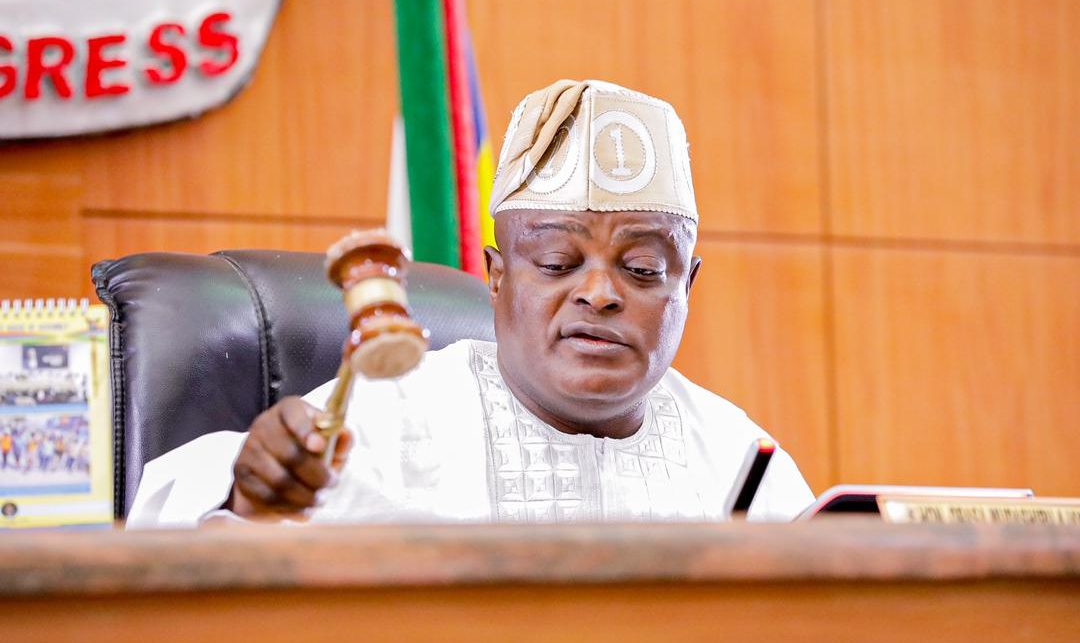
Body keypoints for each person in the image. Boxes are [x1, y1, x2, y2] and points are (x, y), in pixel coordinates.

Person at [127, 79, 814, 527]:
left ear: (686, 286)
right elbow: (167, 515)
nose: (600, 293)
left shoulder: (738, 454)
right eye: (557, 263)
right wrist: (247, 495)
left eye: (642, 269)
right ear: (496, 276)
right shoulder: (392, 416)